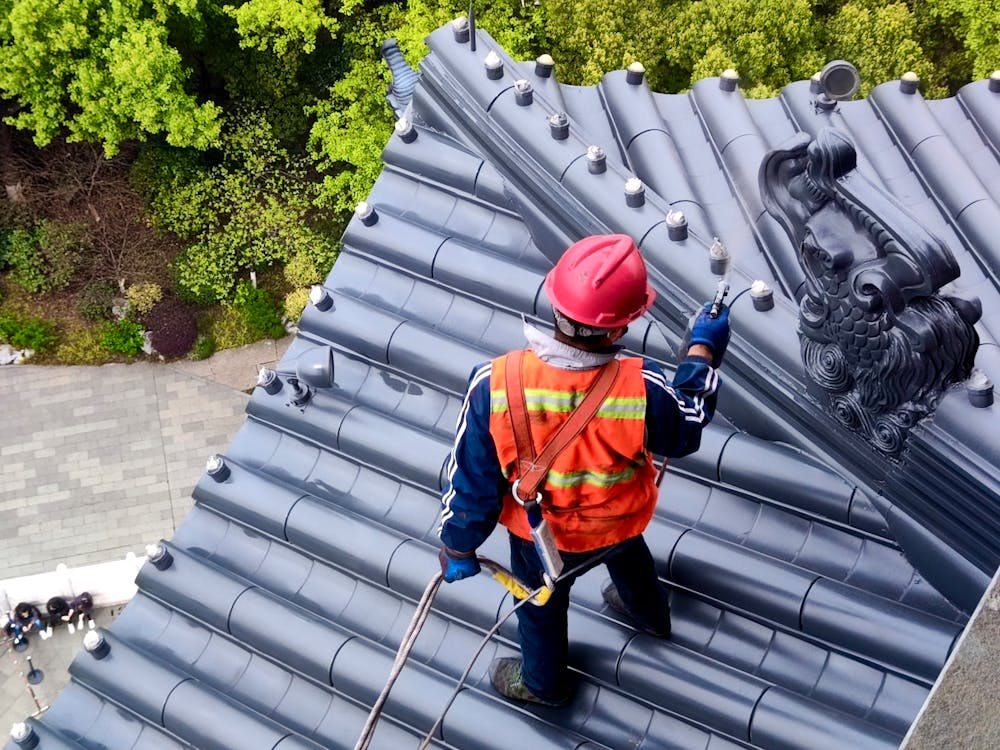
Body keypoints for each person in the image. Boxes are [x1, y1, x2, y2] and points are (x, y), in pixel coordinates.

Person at [437, 234, 729, 706]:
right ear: (619, 328)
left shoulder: (495, 384)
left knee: (540, 604)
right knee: (630, 559)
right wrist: (702, 353)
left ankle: (543, 684)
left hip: (540, 538)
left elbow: (471, 483)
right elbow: (686, 429)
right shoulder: (642, 389)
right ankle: (649, 616)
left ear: (555, 303)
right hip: (616, 522)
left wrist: (457, 544)